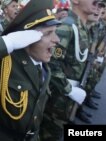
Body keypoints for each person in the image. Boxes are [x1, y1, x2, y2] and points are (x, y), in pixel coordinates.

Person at [0, 0, 61, 140]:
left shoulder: (44, 67)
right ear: (28, 38)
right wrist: (6, 43)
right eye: (48, 33)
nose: (57, 39)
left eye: (55, 32)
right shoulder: (3, 64)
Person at [40, 0, 99, 140]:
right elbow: (50, 64)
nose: (97, 3)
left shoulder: (83, 27)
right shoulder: (67, 26)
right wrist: (69, 90)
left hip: (69, 97)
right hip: (57, 97)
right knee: (48, 135)